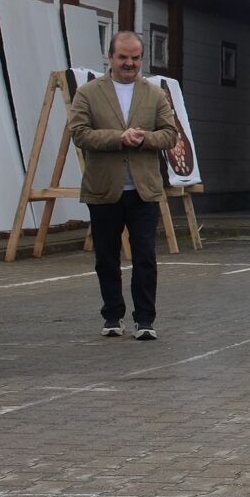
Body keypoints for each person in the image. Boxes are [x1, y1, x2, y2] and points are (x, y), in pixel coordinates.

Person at [67, 31, 181, 339]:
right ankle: (112, 316)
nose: (129, 63)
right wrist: (118, 138)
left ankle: (145, 320)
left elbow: (170, 134)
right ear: (110, 57)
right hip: (104, 188)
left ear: (141, 59)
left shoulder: (155, 94)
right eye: (123, 57)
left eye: (135, 58)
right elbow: (79, 133)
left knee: (145, 256)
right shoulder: (89, 93)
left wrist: (143, 138)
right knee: (106, 256)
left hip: (144, 189)